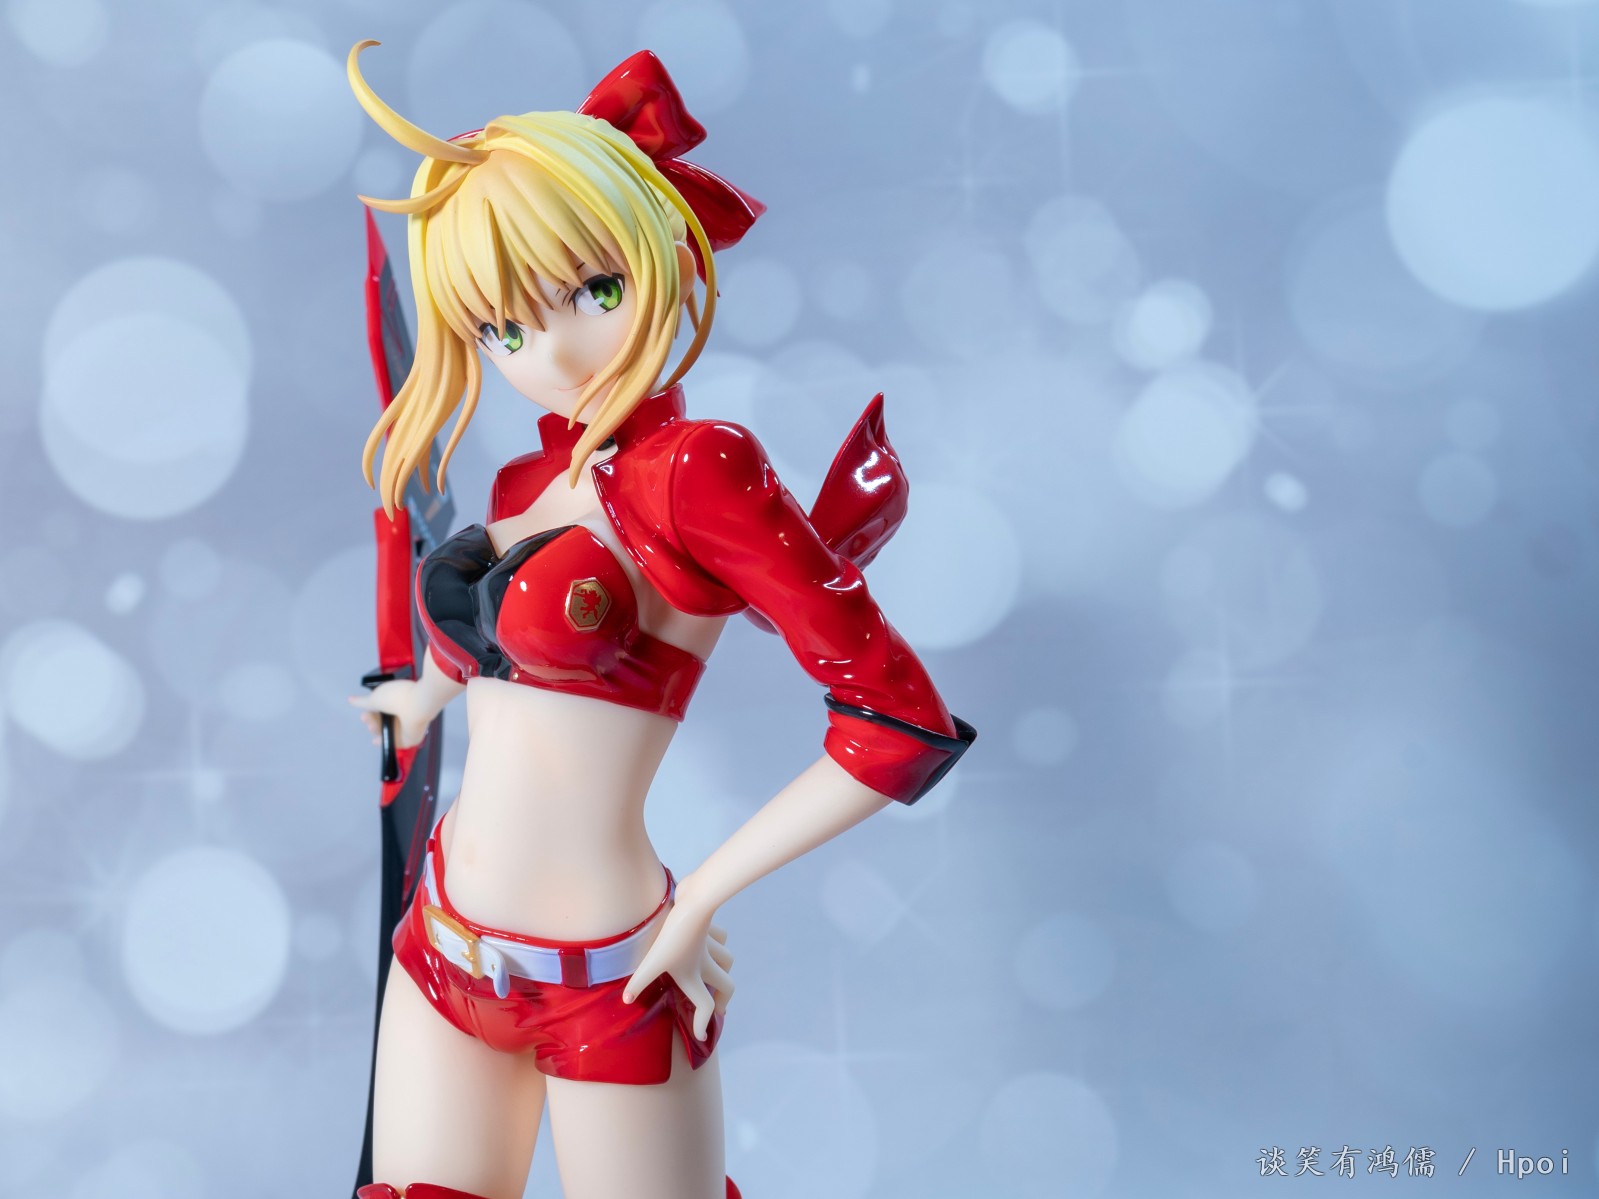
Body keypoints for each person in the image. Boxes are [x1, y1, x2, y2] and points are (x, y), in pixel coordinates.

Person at [343, 40, 974, 1199]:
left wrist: (707, 893)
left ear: (665, 253)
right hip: (442, 945)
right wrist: (421, 692)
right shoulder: (527, 485)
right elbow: (495, 663)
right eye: (502, 331)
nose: (553, 352)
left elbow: (899, 723)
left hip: (611, 977)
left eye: (593, 291)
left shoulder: (698, 472)